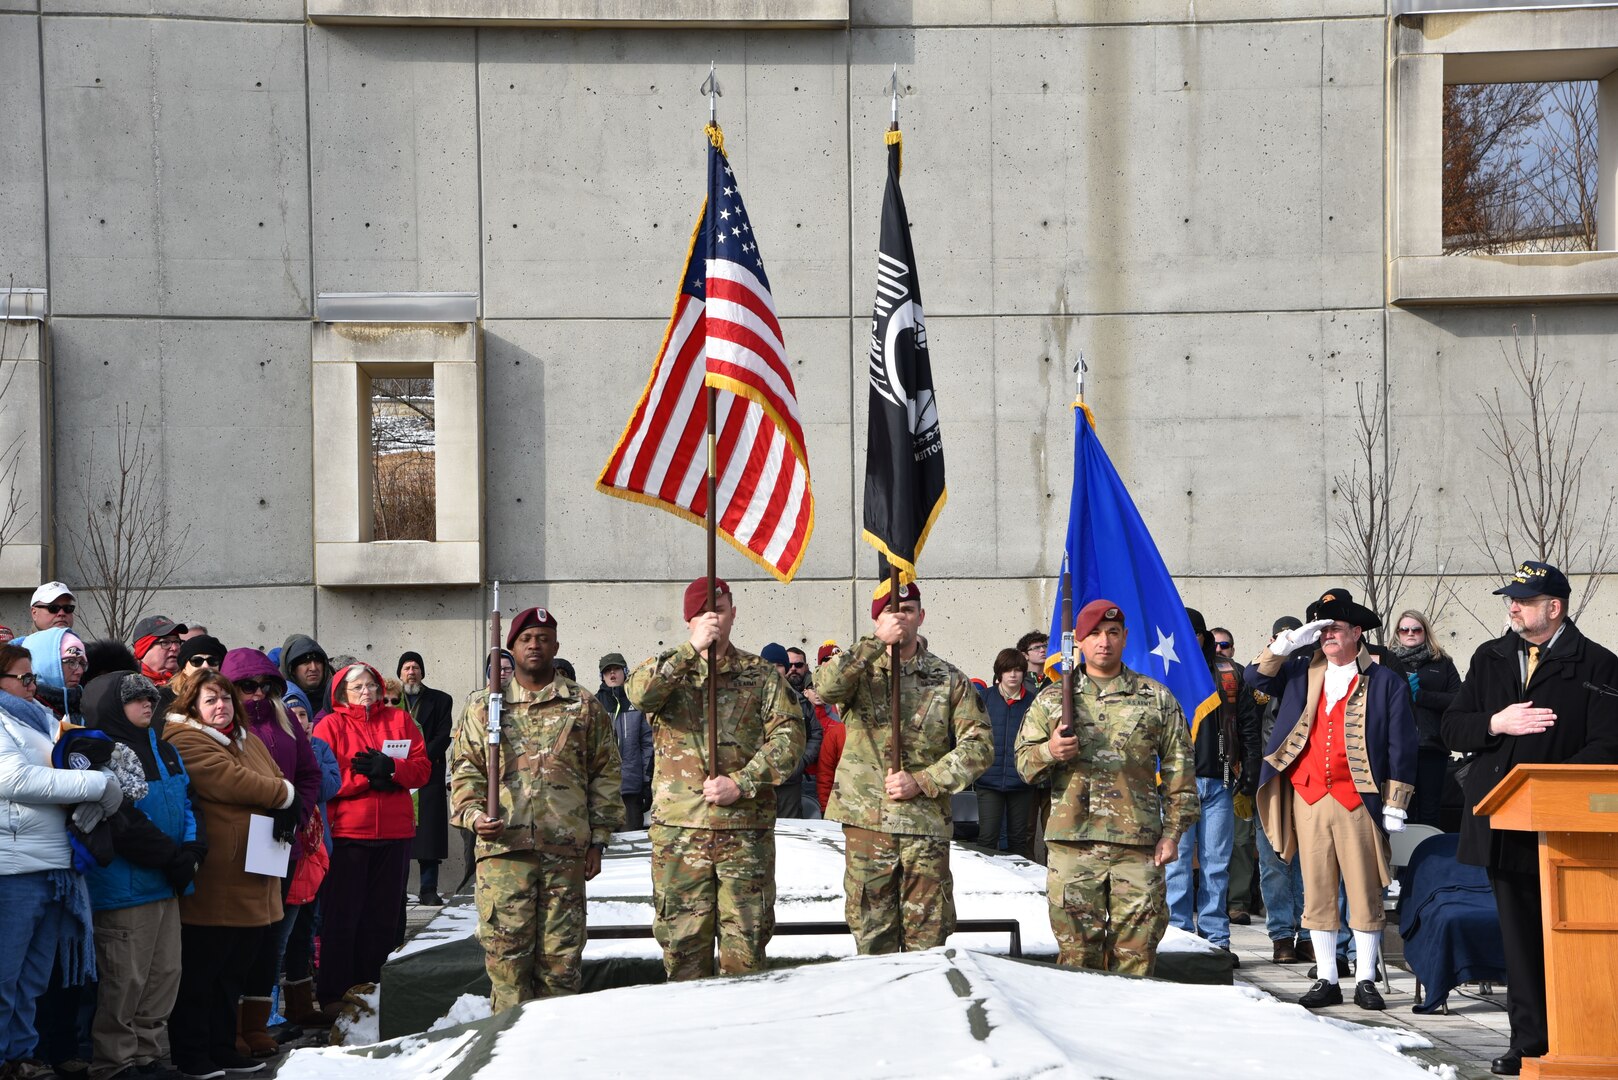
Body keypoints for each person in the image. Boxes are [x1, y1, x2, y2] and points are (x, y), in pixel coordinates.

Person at [1441, 561, 1618, 1077]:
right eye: (1510, 599)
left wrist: (1549, 781)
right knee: (1519, 939)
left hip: (1569, 827)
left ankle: (1586, 1033)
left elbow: (1609, 745)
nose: (1512, 607)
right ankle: (1530, 1042)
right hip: (1505, 821)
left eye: (1522, 599)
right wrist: (1497, 722)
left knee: (1572, 933)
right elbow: (1452, 727)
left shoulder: (1599, 665)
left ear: (1554, 607)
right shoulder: (1490, 657)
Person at [1248, 587, 1418, 1013]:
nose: (1327, 636)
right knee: (1317, 891)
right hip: (1308, 795)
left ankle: (1364, 979)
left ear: (1357, 632)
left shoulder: (1384, 680)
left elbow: (1402, 744)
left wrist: (1396, 802)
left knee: (1362, 891)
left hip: (1357, 797)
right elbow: (1254, 679)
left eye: (1335, 628)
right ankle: (1326, 977)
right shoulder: (1300, 670)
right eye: (1321, 630)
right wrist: (1288, 643)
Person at [627, 578, 802, 980]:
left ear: (734, 614)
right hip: (681, 835)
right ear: (688, 619)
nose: (714, 619)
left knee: (747, 951)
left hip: (744, 832)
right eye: (704, 612)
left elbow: (789, 738)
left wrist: (743, 781)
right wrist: (692, 651)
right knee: (682, 950)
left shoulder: (760, 675)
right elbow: (642, 696)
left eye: (720, 610)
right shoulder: (666, 669)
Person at [449, 608, 622, 1010]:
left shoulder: (582, 704)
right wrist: (475, 817)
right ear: (510, 648)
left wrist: (598, 841)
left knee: (561, 968)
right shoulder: (484, 708)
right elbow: (464, 772)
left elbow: (605, 774)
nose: (534, 645)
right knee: (508, 970)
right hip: (504, 855)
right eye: (526, 638)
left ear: (556, 647)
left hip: (565, 856)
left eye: (543, 638)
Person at [1015, 600, 1198, 976]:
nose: (1104, 641)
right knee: (1076, 959)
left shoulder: (1156, 699)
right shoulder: (1053, 699)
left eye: (1113, 633)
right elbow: (1022, 766)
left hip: (1138, 847)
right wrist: (1050, 750)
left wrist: (1173, 834)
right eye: (1095, 634)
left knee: (1137, 957)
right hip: (1073, 847)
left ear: (1125, 637)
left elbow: (1181, 774)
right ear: (1078, 641)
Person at [814, 582, 992, 954]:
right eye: (890, 611)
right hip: (868, 825)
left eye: (908, 610)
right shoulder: (859, 673)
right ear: (876, 619)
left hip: (924, 827)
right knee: (871, 937)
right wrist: (874, 642)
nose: (900, 618)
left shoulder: (948, 679)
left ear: (921, 617)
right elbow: (826, 688)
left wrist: (924, 781)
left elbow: (979, 747)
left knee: (927, 942)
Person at [162, 671, 296, 1080]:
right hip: (218, 877)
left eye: (224, 698)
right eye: (210, 700)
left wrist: (279, 790)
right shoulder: (183, 739)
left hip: (253, 871)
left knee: (232, 972)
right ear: (192, 706)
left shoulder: (246, 738)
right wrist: (284, 795)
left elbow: (273, 776)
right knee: (203, 972)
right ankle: (192, 1052)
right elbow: (234, 782)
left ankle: (223, 1046)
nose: (220, 706)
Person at [79, 671, 201, 1080]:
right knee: (124, 981)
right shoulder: (100, 753)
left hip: (166, 884)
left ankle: (149, 1057)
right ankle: (115, 1063)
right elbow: (120, 820)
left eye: (150, 696)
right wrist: (171, 856)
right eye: (135, 699)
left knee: (164, 975)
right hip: (124, 888)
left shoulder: (166, 750)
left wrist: (192, 850)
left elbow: (187, 803)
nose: (148, 703)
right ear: (113, 705)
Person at [0, 644, 111, 1080]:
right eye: (22, 678)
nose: (33, 685)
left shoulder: (41, 717)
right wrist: (93, 785)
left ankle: (22, 1055)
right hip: (14, 866)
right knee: (5, 975)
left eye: (32, 677)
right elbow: (14, 778)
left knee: (33, 977)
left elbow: (78, 757)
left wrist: (101, 780)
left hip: (56, 862)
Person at [311, 664, 430, 1015]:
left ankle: (375, 989)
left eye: (371, 685)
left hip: (394, 833)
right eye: (357, 686)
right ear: (341, 692)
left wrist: (392, 771)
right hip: (348, 833)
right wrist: (367, 780)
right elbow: (323, 779)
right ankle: (333, 993)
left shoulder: (400, 721)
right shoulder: (329, 725)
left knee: (383, 918)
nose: (366, 691)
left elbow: (423, 769)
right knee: (342, 917)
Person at [221, 650, 318, 1055]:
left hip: (280, 844)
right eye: (247, 686)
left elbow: (310, 774)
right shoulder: (223, 725)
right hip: (235, 846)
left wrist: (296, 812)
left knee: (269, 937)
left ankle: (255, 1024)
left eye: (266, 685)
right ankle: (228, 1027)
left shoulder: (287, 721)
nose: (258, 693)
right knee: (235, 941)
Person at [1166, 609, 1260, 962]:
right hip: (1176, 783)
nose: (1189, 639)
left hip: (1219, 781)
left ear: (1203, 636)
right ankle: (1177, 935)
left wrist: (1251, 764)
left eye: (1194, 633)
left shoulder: (1229, 673)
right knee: (1175, 865)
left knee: (1216, 863)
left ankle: (1216, 940)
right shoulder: (1166, 669)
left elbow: (1249, 722)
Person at [274, 681, 338, 1028]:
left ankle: (300, 1004)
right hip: (287, 851)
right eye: (291, 714)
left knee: (305, 931)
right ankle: (266, 1010)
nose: (299, 720)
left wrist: (307, 757)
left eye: (303, 715)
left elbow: (329, 785)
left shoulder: (320, 748)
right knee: (278, 935)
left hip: (316, 852)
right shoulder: (275, 748)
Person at [1254, 615, 1309, 964]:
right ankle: (1280, 936)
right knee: (1273, 862)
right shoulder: (1262, 675)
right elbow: (1245, 724)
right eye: (1279, 638)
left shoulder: (1309, 674)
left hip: (1305, 779)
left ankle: (1307, 933)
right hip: (1269, 780)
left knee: (1308, 862)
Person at [1389, 609, 1462, 829]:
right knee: (1401, 810)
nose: (1410, 633)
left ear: (1425, 631)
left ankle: (1429, 861)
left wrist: (1421, 696)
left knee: (1431, 810)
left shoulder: (1442, 662)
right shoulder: (1388, 662)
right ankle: (1402, 863)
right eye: (1404, 630)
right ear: (1398, 633)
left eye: (1416, 629)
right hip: (1398, 750)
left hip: (1432, 746)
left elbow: (1458, 699)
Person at [398, 652, 454, 907]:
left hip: (428, 771)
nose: (412, 672)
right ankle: (398, 889)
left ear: (423, 673)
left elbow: (443, 736)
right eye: (407, 668)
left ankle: (428, 888)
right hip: (397, 772)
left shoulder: (441, 700)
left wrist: (420, 758)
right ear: (400, 673)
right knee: (398, 833)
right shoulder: (391, 699)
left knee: (428, 834)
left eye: (416, 667)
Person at [975, 648, 1036, 860]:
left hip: (1021, 780)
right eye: (1008, 670)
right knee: (987, 837)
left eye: (1018, 670)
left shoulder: (1033, 702)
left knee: (1019, 839)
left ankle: (1022, 886)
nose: (1013, 675)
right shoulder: (984, 698)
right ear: (999, 672)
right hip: (988, 779)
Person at [760, 643, 821, 821]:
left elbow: (815, 734)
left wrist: (801, 762)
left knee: (790, 835)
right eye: (768, 664)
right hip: (758, 782)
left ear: (785, 668)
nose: (774, 669)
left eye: (778, 665)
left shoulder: (800, 701)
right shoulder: (750, 700)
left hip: (790, 784)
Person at [596, 653, 653, 830]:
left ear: (625, 672)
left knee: (631, 846)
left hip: (631, 788)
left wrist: (646, 782)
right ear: (602, 677)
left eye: (616, 669)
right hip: (602, 792)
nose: (612, 674)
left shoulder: (637, 702)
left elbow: (647, 745)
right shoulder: (594, 704)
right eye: (607, 671)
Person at [23, 628, 89, 725]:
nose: (79, 671)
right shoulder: (24, 713)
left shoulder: (90, 704)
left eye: (82, 663)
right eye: (71, 661)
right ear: (43, 664)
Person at [278, 637, 332, 723]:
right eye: (305, 662)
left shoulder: (337, 697)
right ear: (292, 670)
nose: (313, 668)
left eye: (318, 661)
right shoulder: (277, 701)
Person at [130, 617, 187, 688]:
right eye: (165, 642)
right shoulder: (126, 686)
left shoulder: (191, 683)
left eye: (177, 642)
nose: (175, 648)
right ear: (143, 649)